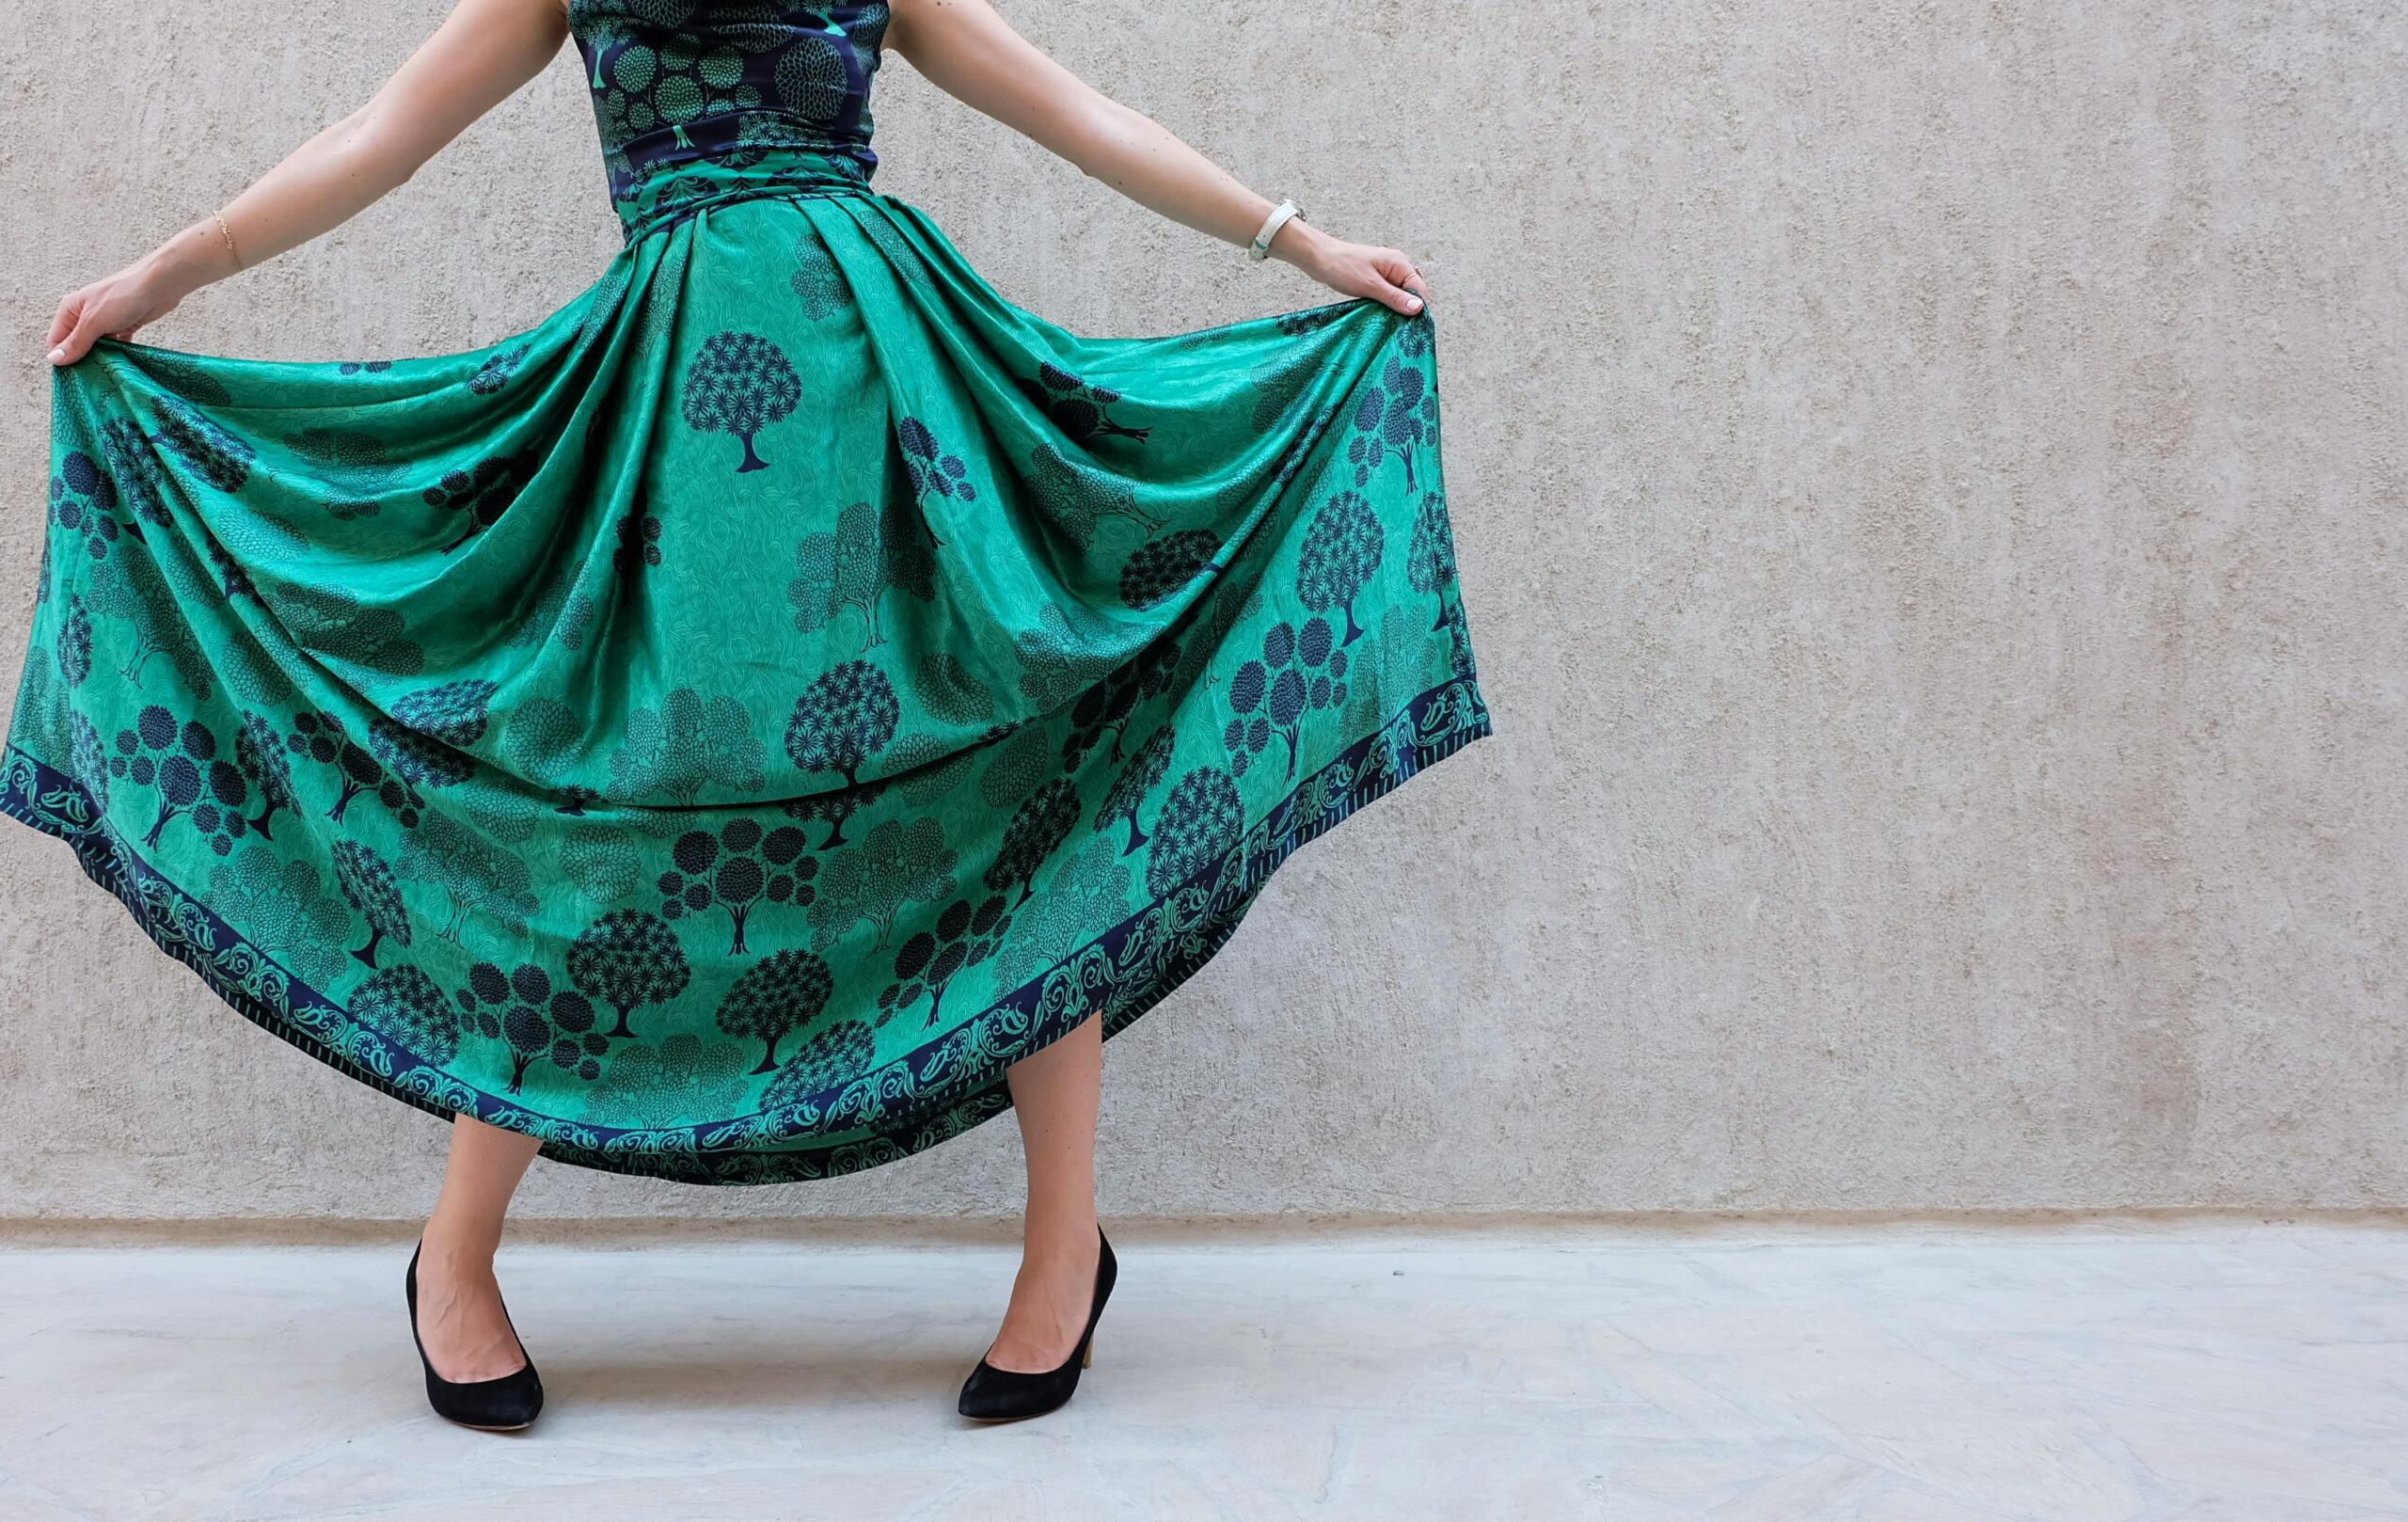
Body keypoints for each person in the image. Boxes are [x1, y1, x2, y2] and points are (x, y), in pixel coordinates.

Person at [15, 0, 1490, 1428]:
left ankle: (1064, 1251)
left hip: (899, 397)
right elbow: (388, 130)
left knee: (1027, 777)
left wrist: (1298, 241)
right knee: (602, 814)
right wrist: (168, 273)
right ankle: (451, 1258)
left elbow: (1076, 110)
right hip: (683, 421)